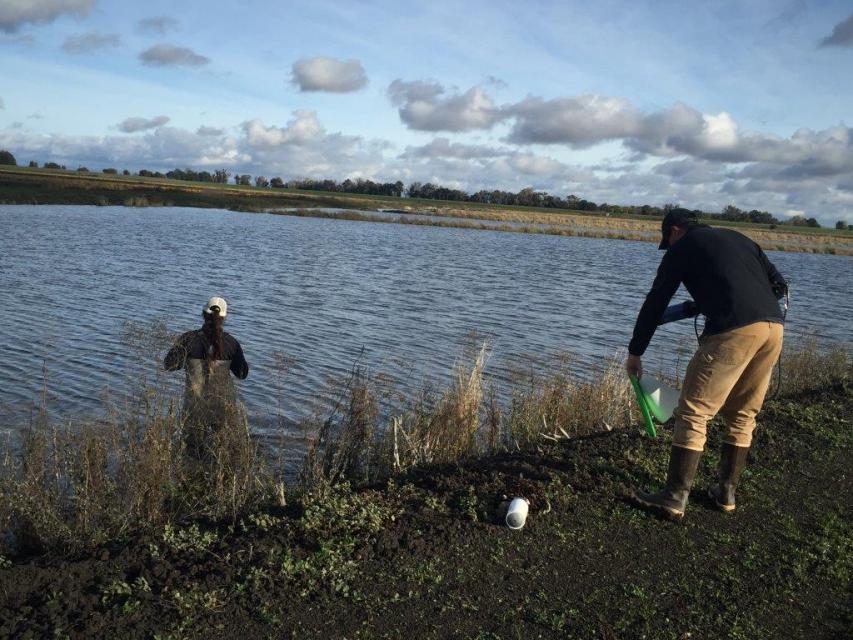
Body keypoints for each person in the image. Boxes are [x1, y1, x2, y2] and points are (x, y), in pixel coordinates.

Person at [626, 209, 787, 521]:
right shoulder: (739, 238)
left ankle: (673, 497)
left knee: (694, 412)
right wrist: (711, 301)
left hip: (733, 332)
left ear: (674, 231)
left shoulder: (682, 248)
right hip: (773, 329)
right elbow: (778, 285)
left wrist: (636, 352)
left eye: (667, 241)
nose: (668, 248)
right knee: (743, 413)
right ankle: (725, 493)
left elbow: (656, 300)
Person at [164, 296, 249, 453]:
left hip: (194, 406)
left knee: (192, 451)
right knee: (222, 450)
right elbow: (242, 374)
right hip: (223, 406)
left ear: (203, 314)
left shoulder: (188, 339)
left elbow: (169, 365)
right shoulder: (232, 343)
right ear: (224, 317)